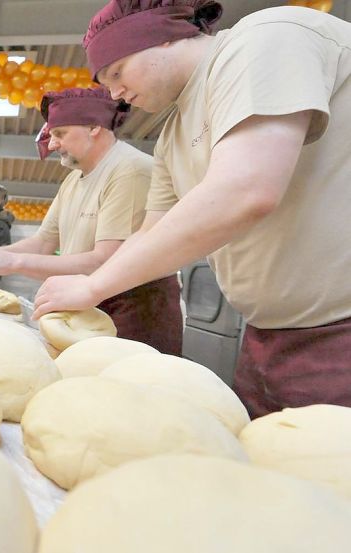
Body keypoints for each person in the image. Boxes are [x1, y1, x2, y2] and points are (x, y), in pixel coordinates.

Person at [33, 0, 351, 415]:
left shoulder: (268, 38)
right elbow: (149, 232)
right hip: (266, 338)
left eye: (116, 72)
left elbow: (247, 189)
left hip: (340, 332)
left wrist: (91, 287)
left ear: (163, 36)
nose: (114, 94)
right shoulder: (171, 138)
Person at [0, 87, 183, 354]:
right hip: (88, 304)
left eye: (59, 134)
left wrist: (14, 261)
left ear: (93, 128)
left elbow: (104, 260)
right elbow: (43, 242)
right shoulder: (73, 179)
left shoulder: (129, 170)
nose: (52, 144)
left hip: (132, 310)